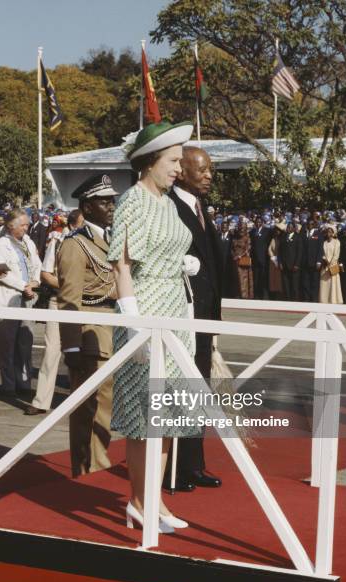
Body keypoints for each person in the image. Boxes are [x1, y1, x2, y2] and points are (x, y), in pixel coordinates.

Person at [108, 120, 199, 530]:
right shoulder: (133, 200)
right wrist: (133, 324)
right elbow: (122, 265)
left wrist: (182, 263)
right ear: (149, 162)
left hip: (175, 312)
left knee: (168, 416)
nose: (179, 168)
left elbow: (166, 247)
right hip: (145, 313)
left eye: (179, 161)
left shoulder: (167, 202)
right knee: (143, 417)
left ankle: (154, 502)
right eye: (173, 160)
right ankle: (140, 504)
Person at [166, 145, 223, 492]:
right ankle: (172, 468)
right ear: (182, 171)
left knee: (198, 391)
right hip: (180, 314)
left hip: (203, 317)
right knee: (176, 393)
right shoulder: (169, 207)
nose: (208, 176)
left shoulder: (200, 208)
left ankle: (192, 464)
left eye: (210, 170)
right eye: (201, 170)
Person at [57, 175, 117, 477]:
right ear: (87, 206)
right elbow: (69, 300)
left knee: (105, 410)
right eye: (104, 201)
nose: (111, 206)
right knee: (89, 411)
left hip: (113, 332)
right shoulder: (75, 245)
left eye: (112, 200)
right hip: (90, 334)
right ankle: (86, 470)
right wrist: (71, 345)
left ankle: (97, 466)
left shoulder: (109, 239)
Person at [25, 210, 84, 416]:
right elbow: (45, 273)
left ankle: (79, 399)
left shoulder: (91, 243)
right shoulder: (58, 242)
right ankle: (41, 400)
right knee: (52, 352)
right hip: (59, 301)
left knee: (81, 352)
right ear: (75, 223)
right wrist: (68, 286)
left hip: (83, 304)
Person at [0, 209, 41, 394]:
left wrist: (35, 282)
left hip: (28, 297)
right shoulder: (0, 245)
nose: (27, 227)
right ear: (11, 226)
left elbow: (37, 264)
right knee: (7, 342)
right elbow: (2, 273)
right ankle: (9, 384)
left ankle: (24, 382)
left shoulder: (27, 241)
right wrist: (23, 285)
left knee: (25, 341)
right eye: (23, 225)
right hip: (9, 298)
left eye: (27, 224)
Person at [279, 221, 302, 301]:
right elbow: (279, 252)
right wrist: (280, 263)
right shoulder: (283, 237)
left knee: (294, 285)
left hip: (294, 265)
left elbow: (299, 252)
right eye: (287, 227)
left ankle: (295, 300)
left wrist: (297, 264)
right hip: (284, 265)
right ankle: (287, 300)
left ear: (294, 228)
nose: (288, 228)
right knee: (286, 284)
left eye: (290, 227)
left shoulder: (298, 237)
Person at [319, 226, 343, 304]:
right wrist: (325, 260)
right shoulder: (324, 242)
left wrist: (330, 264)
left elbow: (336, 255)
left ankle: (333, 300)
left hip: (333, 266)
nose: (328, 233)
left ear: (333, 233)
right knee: (324, 284)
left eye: (330, 232)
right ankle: (324, 300)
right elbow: (322, 253)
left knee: (333, 284)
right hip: (324, 265)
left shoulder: (337, 242)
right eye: (327, 232)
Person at [301, 219, 323, 302]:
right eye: (308, 224)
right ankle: (307, 300)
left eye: (312, 224)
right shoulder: (303, 234)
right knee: (305, 282)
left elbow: (320, 248)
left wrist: (319, 261)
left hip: (315, 262)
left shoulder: (319, 234)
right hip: (305, 262)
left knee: (314, 282)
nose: (310, 225)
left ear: (314, 225)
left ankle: (314, 300)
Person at [231, 221, 254, 299]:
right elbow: (231, 248)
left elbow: (248, 248)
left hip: (243, 260)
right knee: (235, 278)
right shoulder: (234, 237)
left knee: (243, 279)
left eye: (243, 228)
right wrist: (234, 255)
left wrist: (240, 256)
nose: (241, 229)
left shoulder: (247, 237)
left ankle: (244, 295)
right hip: (235, 260)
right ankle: (237, 294)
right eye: (240, 227)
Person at [250, 217, 271, 299]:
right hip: (255, 259)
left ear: (262, 222)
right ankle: (256, 295)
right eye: (256, 222)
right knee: (256, 278)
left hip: (264, 259)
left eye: (259, 222)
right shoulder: (252, 232)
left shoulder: (267, 231)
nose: (258, 223)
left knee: (264, 278)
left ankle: (264, 296)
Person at [268, 223, 285, 299]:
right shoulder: (273, 239)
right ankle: (274, 294)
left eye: (279, 230)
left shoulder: (284, 239)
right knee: (274, 279)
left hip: (282, 262)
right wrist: (273, 257)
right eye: (276, 230)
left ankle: (281, 295)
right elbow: (269, 249)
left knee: (280, 280)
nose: (277, 231)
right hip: (274, 261)